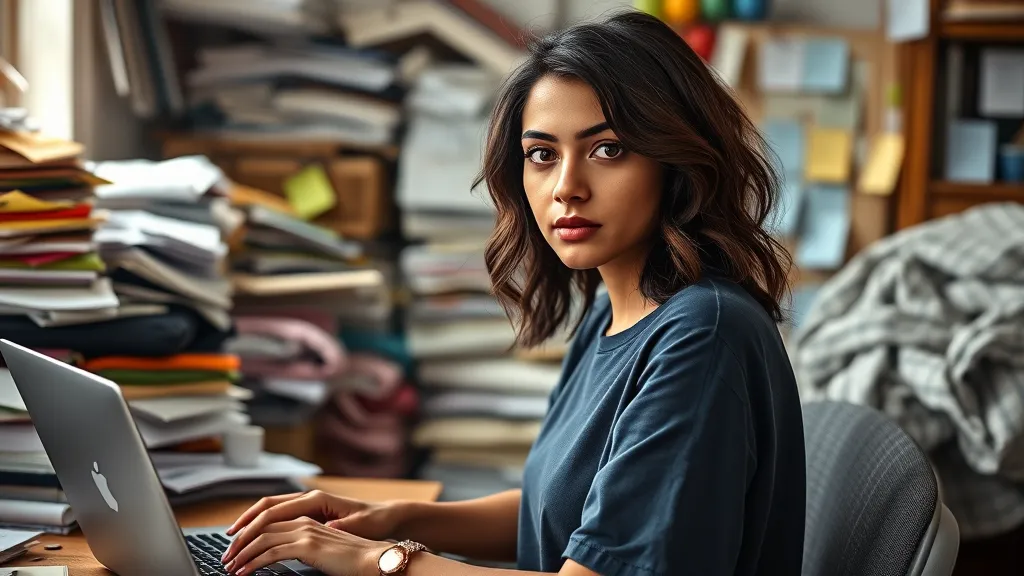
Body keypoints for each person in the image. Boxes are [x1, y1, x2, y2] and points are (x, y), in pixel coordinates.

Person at [219, 10, 805, 576]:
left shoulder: (703, 335)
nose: (566, 188)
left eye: (608, 149)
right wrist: (383, 520)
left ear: (675, 160)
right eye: (542, 155)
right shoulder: (616, 309)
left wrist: (380, 562)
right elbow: (560, 511)